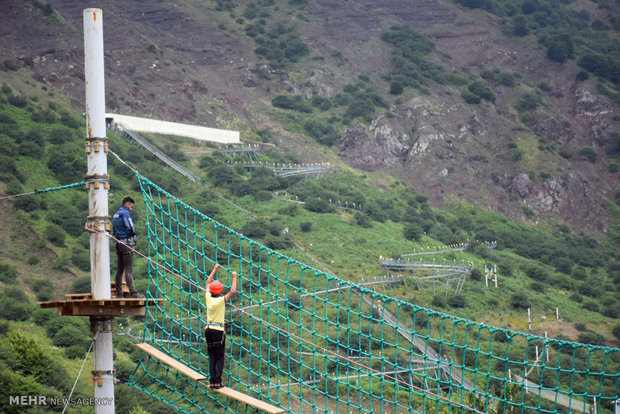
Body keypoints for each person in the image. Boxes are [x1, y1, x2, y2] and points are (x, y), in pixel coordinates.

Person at [204, 263, 237, 389]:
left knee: (212, 356)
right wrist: (234, 277)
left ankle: (213, 381)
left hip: (208, 330)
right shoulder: (220, 300)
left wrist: (214, 269)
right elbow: (233, 291)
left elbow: (208, 282)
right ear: (220, 291)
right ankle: (218, 381)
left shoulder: (208, 297)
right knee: (220, 356)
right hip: (218, 331)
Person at [112, 196, 144, 299]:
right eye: (131, 206)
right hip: (127, 244)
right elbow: (130, 226)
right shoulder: (125, 214)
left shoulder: (116, 215)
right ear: (127, 204)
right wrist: (134, 235)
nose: (131, 209)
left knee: (120, 270)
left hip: (119, 244)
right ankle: (133, 293)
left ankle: (119, 294)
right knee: (128, 270)